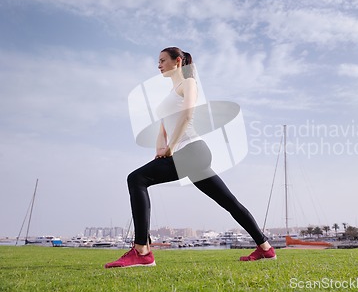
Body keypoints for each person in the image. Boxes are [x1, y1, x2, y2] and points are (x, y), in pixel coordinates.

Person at [105, 47, 276, 268]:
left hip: (193, 150)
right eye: (158, 61)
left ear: (178, 62)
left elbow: (187, 116)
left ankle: (142, 251)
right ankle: (265, 248)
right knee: (229, 202)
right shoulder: (171, 92)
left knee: (136, 179)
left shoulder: (189, 83)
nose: (158, 65)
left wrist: (172, 147)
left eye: (162, 60)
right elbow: (163, 129)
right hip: (185, 153)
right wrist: (161, 150)